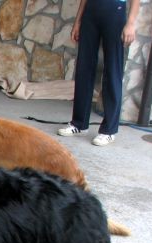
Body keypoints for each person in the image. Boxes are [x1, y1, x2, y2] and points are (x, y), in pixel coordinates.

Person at [58, 0, 140, 146]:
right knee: (84, 68)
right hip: (91, 11)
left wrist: (131, 23)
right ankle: (79, 123)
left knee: (113, 70)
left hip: (115, 11)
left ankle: (109, 131)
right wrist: (77, 22)